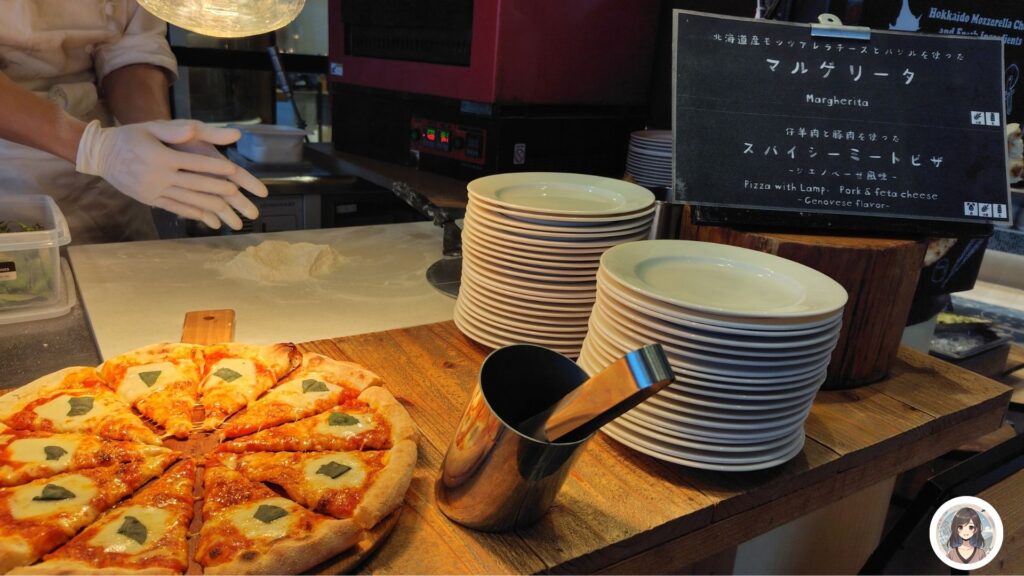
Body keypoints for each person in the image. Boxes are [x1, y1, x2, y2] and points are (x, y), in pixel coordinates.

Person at [0, 1, 268, 245]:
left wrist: (160, 136)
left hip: (106, 182)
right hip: (10, 179)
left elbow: (131, 51)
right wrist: (93, 148)